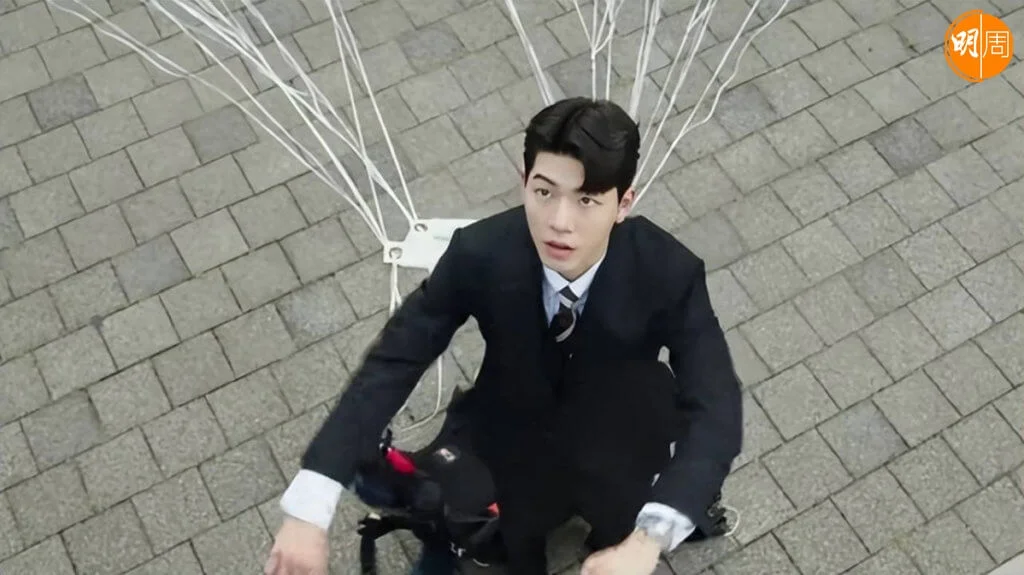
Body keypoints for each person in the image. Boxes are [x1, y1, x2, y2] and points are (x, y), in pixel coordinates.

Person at [264, 97, 743, 575]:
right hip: (513, 449)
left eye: (587, 200)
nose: (559, 221)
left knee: (620, 537)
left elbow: (716, 403)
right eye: (544, 191)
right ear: (524, 182)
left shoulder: (667, 271)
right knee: (514, 546)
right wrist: (311, 504)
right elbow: (395, 359)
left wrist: (648, 540)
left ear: (623, 204)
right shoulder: (479, 253)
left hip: (621, 449)